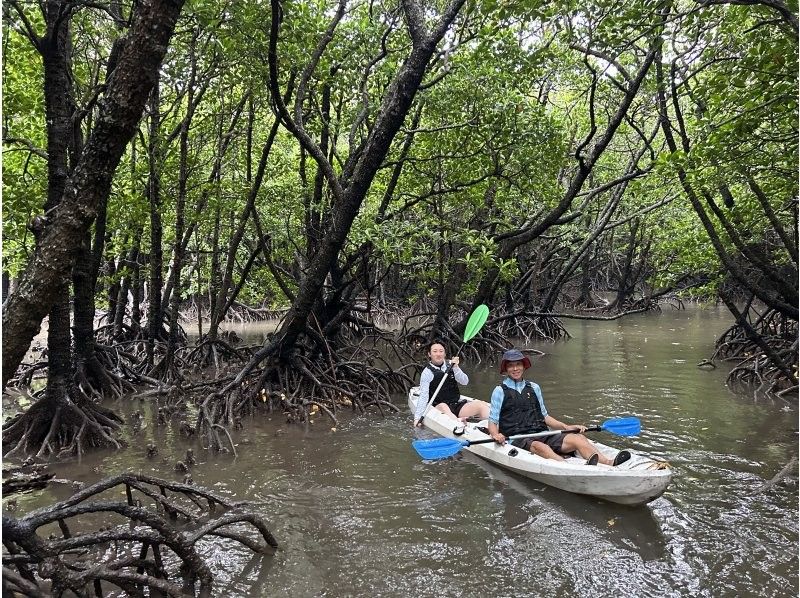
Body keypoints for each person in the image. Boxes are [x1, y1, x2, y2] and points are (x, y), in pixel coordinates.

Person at [487, 348, 630, 466]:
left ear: (524, 366)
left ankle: (608, 462)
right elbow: (493, 421)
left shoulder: (534, 388)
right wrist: (496, 435)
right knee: (540, 447)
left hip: (541, 433)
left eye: (518, 364)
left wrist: (565, 426)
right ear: (506, 369)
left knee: (578, 438)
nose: (515, 368)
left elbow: (544, 416)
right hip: (517, 438)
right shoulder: (500, 391)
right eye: (511, 365)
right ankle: (567, 467)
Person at [413, 341, 490, 427]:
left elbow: (465, 382)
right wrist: (417, 418)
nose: (438, 354)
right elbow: (424, 395)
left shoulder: (451, 364)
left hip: (456, 405)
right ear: (429, 354)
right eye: (435, 351)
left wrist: (456, 368)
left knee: (481, 405)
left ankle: (491, 428)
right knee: (443, 406)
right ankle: (459, 425)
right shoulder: (427, 372)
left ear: (445, 353)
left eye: (441, 351)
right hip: (438, 407)